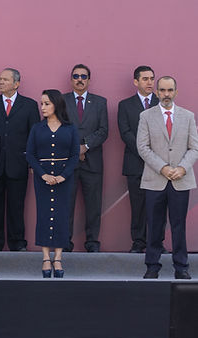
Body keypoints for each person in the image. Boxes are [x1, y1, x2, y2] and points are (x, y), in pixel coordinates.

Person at [138, 76, 198, 280]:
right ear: (156, 92)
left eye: (170, 90)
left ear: (176, 92)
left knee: (178, 224)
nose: (166, 94)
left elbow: (194, 147)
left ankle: (181, 267)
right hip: (155, 179)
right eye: (162, 90)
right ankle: (152, 266)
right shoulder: (146, 116)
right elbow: (142, 147)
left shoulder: (188, 116)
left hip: (181, 180)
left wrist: (182, 167)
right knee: (155, 224)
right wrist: (162, 168)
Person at [26, 90, 81, 278]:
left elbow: (75, 156)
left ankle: (58, 257)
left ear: (56, 104)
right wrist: (43, 175)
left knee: (61, 215)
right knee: (44, 213)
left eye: (47, 103)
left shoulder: (70, 128)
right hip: (43, 179)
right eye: (42, 104)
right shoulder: (37, 128)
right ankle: (45, 258)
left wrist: (63, 176)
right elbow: (30, 155)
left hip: (64, 179)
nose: (43, 107)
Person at [0, 68, 39, 251]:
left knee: (17, 206)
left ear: (16, 84)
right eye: (0, 79)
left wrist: (32, 161)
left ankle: (17, 243)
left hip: (19, 164)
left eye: (5, 80)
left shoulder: (29, 105)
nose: (0, 82)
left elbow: (34, 135)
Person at [63, 64, 108, 252]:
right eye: (76, 76)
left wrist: (86, 146)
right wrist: (76, 148)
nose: (79, 79)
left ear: (89, 79)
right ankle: (65, 243)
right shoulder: (61, 101)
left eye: (83, 76)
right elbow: (57, 126)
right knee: (66, 204)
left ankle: (92, 243)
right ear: (71, 79)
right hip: (67, 162)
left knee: (93, 205)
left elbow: (103, 130)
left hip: (93, 161)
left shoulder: (100, 102)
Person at [117, 65, 160, 253]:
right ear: (136, 82)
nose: (149, 82)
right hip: (135, 163)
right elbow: (125, 133)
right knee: (138, 205)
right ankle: (139, 242)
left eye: (152, 78)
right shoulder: (125, 105)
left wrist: (155, 157)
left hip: (159, 165)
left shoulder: (163, 102)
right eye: (145, 79)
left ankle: (156, 243)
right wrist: (145, 152)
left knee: (158, 205)